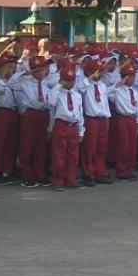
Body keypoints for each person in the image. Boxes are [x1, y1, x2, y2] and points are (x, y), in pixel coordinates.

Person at [11, 56, 52, 188]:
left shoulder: (48, 84)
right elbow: (10, 83)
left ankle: (39, 174)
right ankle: (27, 175)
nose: (40, 73)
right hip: (30, 114)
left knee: (41, 146)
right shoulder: (24, 82)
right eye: (37, 70)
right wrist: (24, 73)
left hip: (43, 113)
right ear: (32, 71)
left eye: (42, 70)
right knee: (27, 144)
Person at [46, 60, 85, 191]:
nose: (71, 83)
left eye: (72, 80)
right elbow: (51, 102)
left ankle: (71, 179)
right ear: (62, 80)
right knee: (59, 155)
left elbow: (80, 113)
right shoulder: (57, 93)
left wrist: (81, 130)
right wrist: (58, 86)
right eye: (67, 80)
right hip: (61, 125)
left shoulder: (77, 95)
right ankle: (58, 180)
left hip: (73, 126)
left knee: (73, 155)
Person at [79, 56, 113, 184]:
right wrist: (90, 78)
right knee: (90, 147)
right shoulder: (85, 84)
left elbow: (104, 103)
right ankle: (88, 173)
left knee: (101, 147)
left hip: (102, 119)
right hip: (91, 119)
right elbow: (79, 88)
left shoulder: (102, 86)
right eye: (96, 72)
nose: (99, 74)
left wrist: (107, 117)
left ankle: (100, 171)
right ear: (89, 72)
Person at [108, 60, 138, 182]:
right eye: (130, 77)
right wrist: (118, 84)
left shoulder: (135, 92)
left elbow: (137, 108)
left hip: (132, 120)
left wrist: (137, 123)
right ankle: (121, 171)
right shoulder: (117, 91)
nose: (133, 79)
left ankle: (129, 169)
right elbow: (105, 93)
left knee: (132, 146)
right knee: (123, 145)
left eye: (133, 76)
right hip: (122, 118)